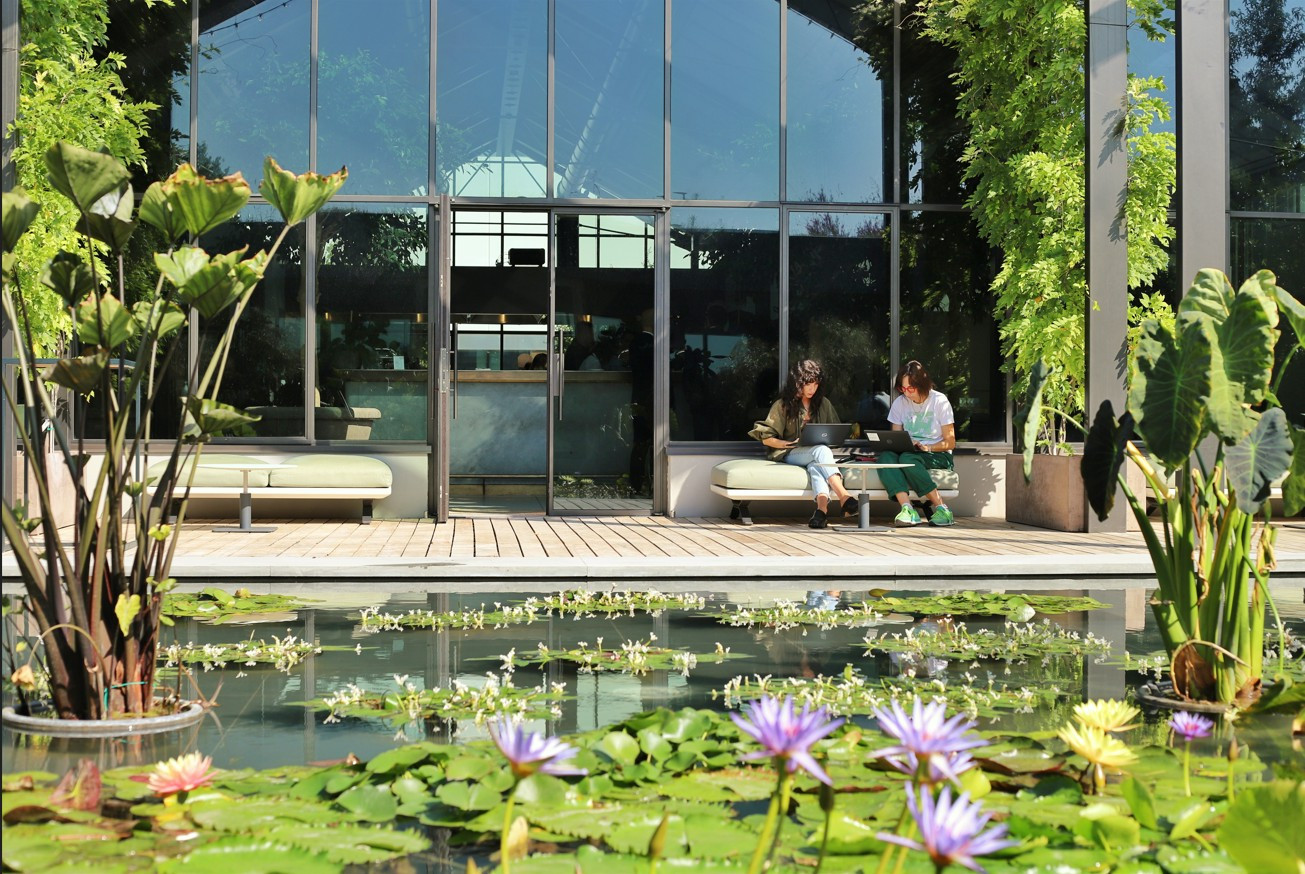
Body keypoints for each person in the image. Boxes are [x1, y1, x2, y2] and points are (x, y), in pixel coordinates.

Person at [748, 359, 858, 529]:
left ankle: (821, 512)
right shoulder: (782, 405)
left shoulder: (824, 404)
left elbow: (836, 430)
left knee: (816, 465)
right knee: (820, 451)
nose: (812, 389)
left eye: (815, 384)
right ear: (797, 383)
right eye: (808, 384)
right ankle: (844, 496)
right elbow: (766, 436)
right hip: (791, 453)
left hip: (816, 455)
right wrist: (789, 444)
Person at [880, 359, 956, 527]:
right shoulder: (900, 402)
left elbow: (950, 442)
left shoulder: (939, 401)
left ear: (922, 384)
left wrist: (928, 447)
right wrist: (907, 443)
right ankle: (907, 509)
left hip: (937, 453)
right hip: (911, 451)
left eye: (910, 388)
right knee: (886, 456)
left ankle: (942, 509)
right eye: (902, 388)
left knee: (908, 458)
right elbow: (895, 437)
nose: (906, 393)